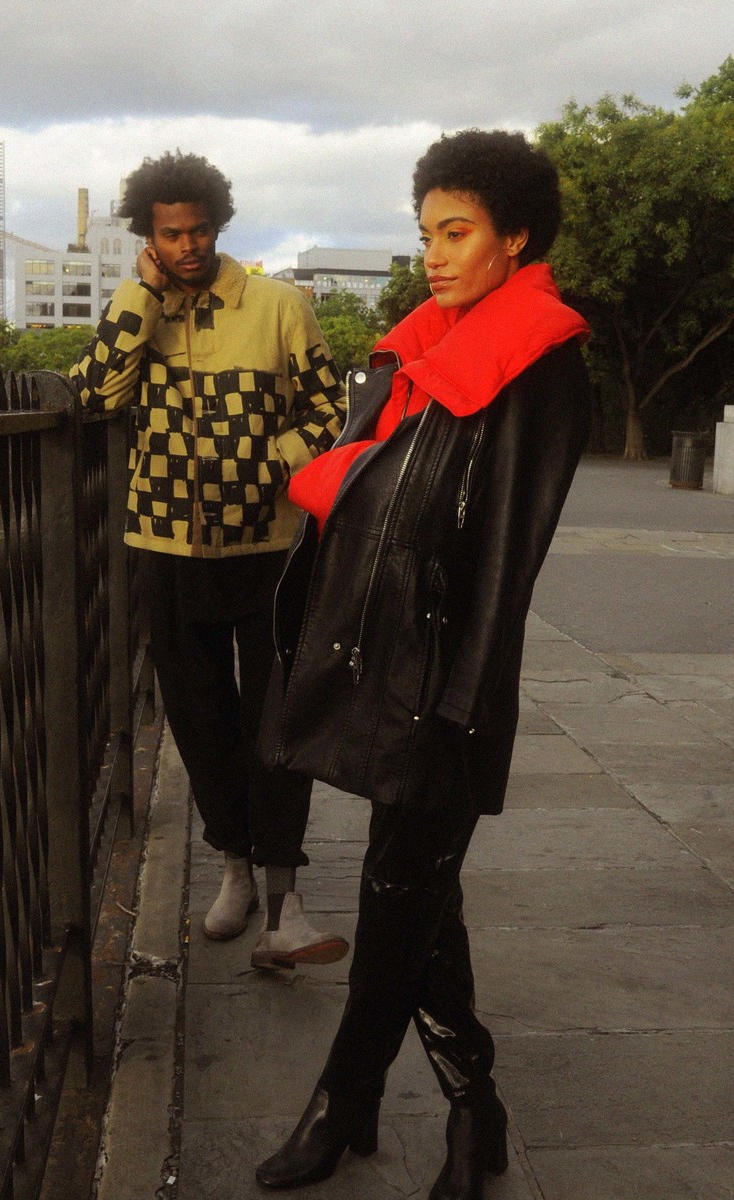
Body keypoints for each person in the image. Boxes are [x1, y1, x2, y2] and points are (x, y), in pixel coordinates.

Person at [254, 130, 591, 1197]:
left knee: (399, 886)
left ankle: (346, 1100)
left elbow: (507, 558)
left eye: (456, 232)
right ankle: (468, 1108)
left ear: (514, 237)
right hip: (381, 656)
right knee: (416, 892)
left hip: (447, 679)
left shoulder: (540, 359)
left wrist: (459, 700)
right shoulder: (420, 350)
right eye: (425, 233)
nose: (433, 255)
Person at [70, 151, 348, 968]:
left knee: (277, 722)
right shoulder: (140, 308)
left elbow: (332, 409)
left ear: (218, 225)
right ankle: (234, 868)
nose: (187, 246)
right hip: (165, 550)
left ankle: (285, 901)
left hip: (269, 549)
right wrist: (140, 296)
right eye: (170, 235)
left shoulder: (279, 306)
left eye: (197, 231)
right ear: (148, 238)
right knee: (199, 721)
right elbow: (92, 394)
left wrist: (271, 464)